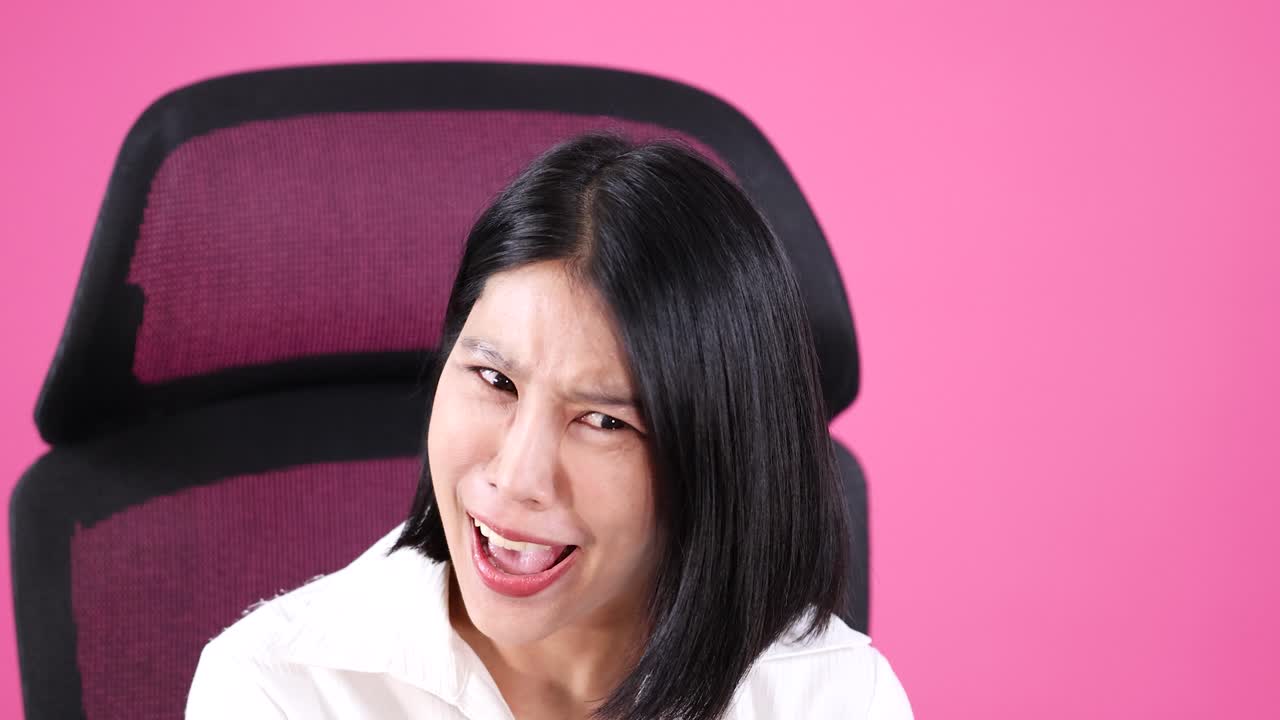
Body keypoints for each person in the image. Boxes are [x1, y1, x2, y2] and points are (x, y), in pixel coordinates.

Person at [186, 133, 913, 719]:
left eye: (602, 421)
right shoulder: (277, 690)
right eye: (494, 381)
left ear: (719, 453)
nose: (517, 475)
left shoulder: (833, 696)